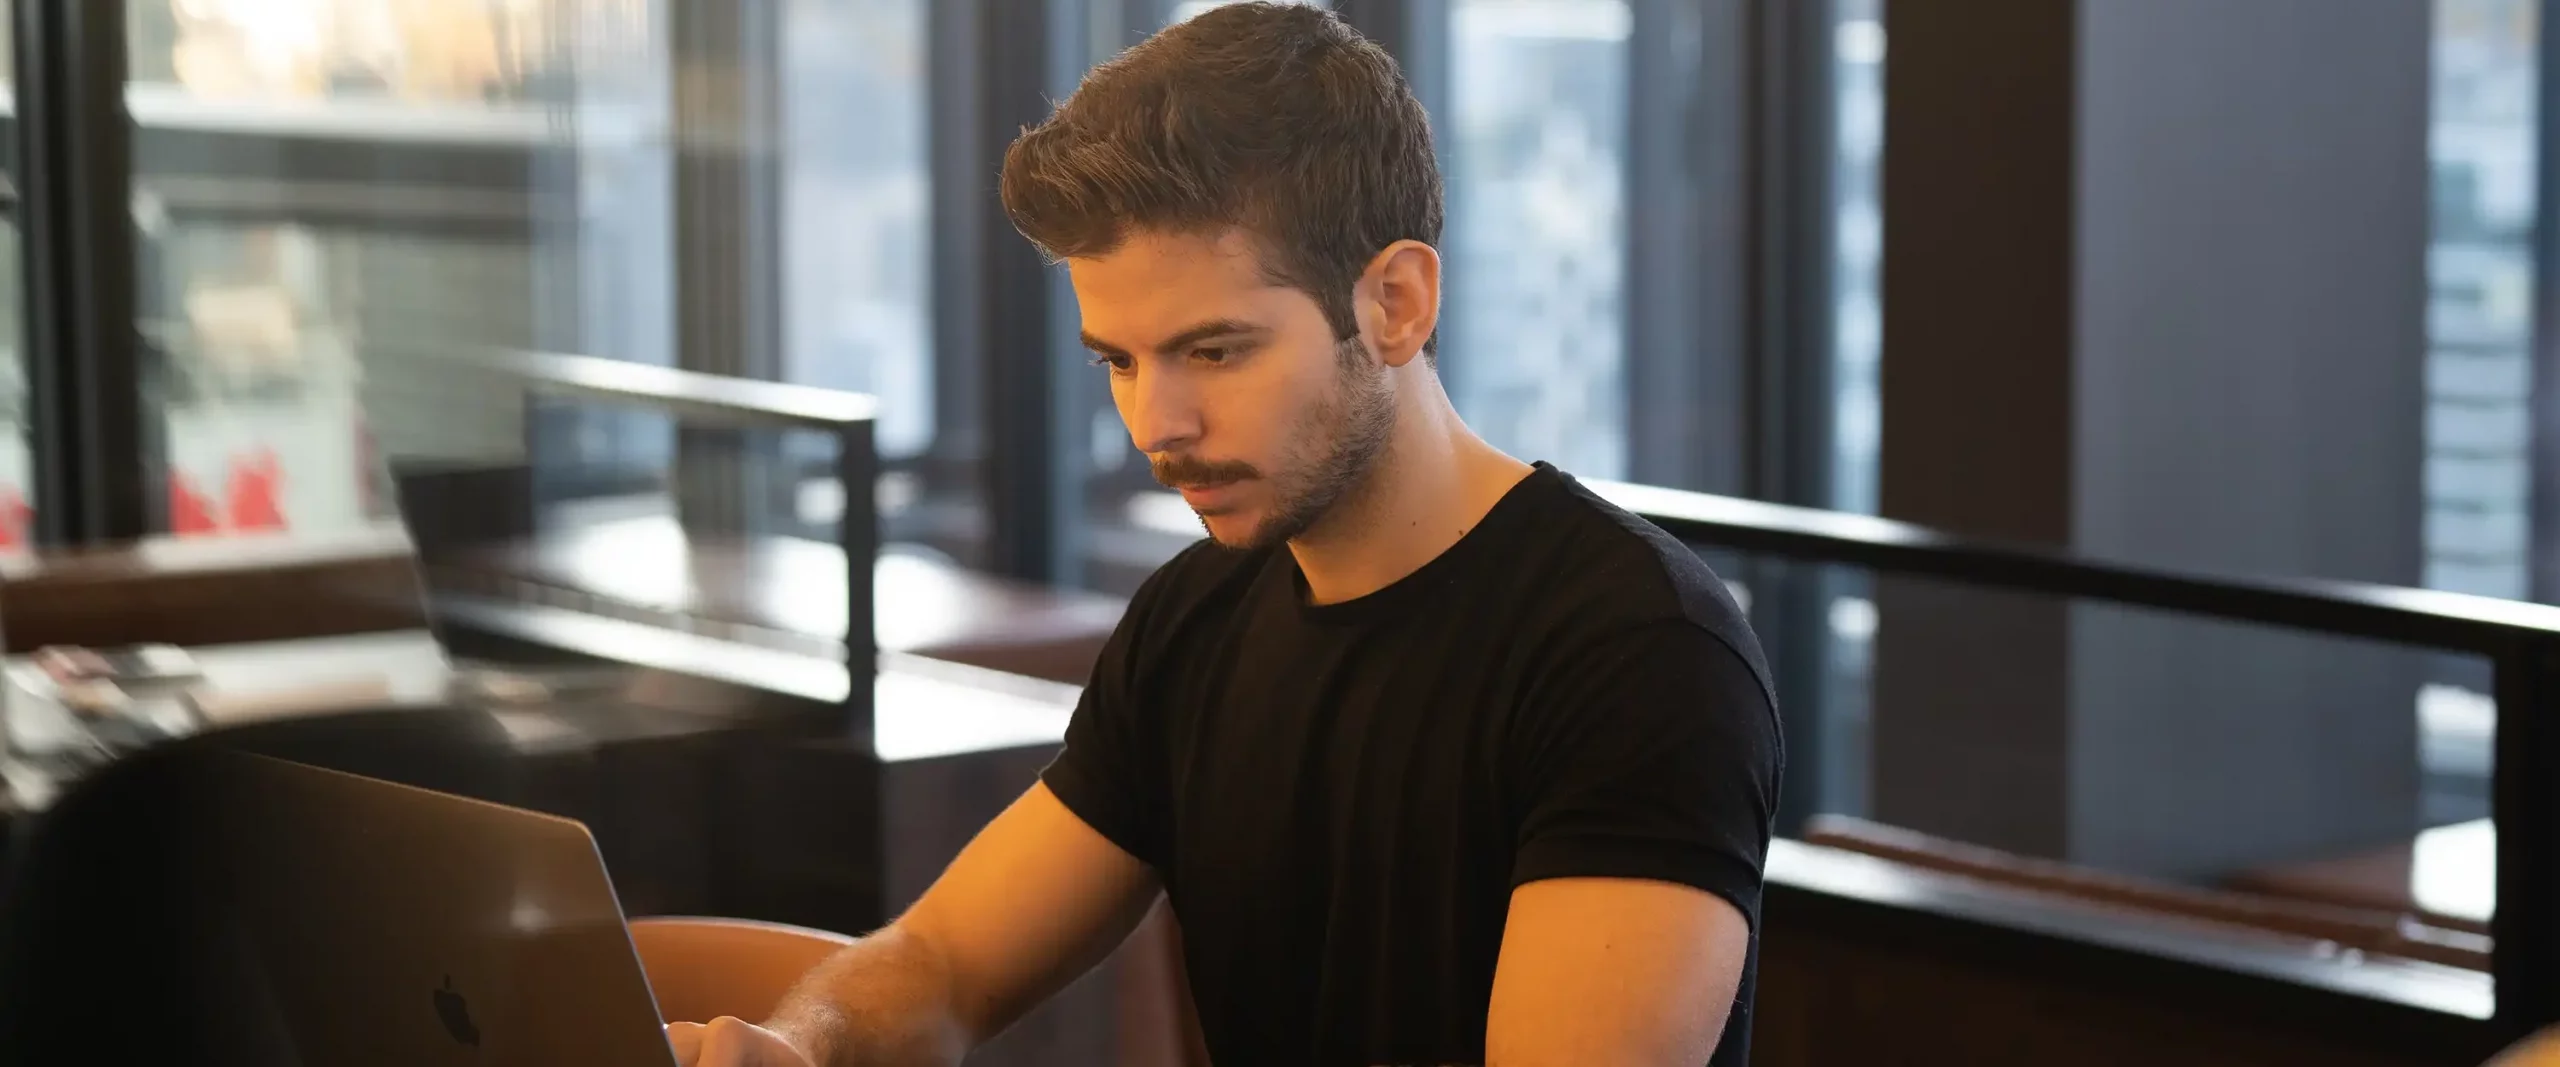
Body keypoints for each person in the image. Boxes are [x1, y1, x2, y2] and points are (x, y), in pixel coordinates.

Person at [670, 5, 1780, 1065]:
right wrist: (800, 1045)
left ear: (1394, 302)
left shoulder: (1641, 648)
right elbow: (945, 959)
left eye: (1215, 350)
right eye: (1117, 359)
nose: (1158, 424)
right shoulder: (1193, 619)